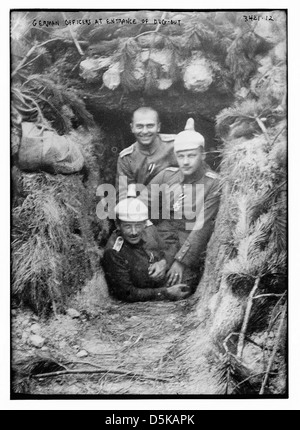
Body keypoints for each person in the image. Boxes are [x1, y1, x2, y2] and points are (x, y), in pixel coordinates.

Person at [145, 120, 221, 293]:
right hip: (163, 240)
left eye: (191, 155)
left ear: (202, 155)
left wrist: (180, 261)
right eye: (181, 156)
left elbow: (202, 227)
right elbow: (141, 203)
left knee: (178, 283)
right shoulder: (166, 175)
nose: (185, 162)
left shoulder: (213, 183)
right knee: (145, 274)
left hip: (190, 243)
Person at [102, 197, 192, 302]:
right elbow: (127, 293)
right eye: (127, 227)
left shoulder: (149, 231)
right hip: (149, 291)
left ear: (145, 223)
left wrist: (164, 263)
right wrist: (166, 292)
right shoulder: (114, 251)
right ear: (118, 225)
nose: (134, 232)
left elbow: (171, 246)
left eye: (138, 225)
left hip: (163, 281)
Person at [116, 107, 178, 198]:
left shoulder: (175, 145)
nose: (145, 131)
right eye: (139, 126)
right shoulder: (126, 158)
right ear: (132, 128)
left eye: (150, 126)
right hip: (144, 206)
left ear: (158, 127)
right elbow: (122, 195)